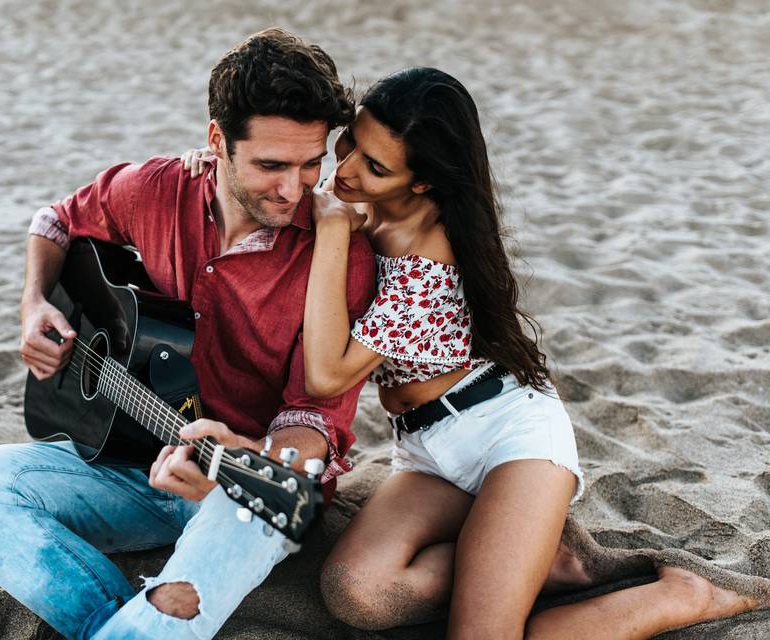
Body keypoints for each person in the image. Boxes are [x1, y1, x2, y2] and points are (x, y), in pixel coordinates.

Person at [184, 66, 766, 638]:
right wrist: (204, 164)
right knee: (356, 592)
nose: (347, 170)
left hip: (508, 440)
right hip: (424, 447)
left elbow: (328, 373)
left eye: (375, 167)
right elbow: (261, 171)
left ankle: (681, 594)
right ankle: (539, 562)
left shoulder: (428, 260)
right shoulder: (368, 204)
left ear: (422, 183)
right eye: (351, 144)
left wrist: (335, 231)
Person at [0, 29, 377, 640]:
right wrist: (34, 303)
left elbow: (315, 415)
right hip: (134, 461)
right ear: (217, 140)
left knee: (185, 599)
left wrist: (244, 457)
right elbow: (57, 221)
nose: (294, 189)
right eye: (271, 165)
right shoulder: (155, 190)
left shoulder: (340, 258)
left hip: (252, 488)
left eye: (311, 164)